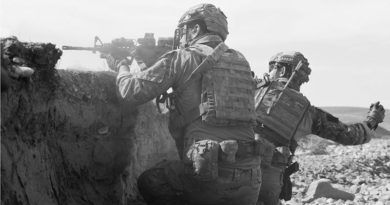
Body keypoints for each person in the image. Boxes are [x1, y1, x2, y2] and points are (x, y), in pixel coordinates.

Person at [106, 4, 262, 205]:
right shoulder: (241, 61)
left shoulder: (183, 57)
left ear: (196, 30)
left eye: (185, 31)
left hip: (209, 179)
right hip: (250, 185)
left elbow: (130, 91)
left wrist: (121, 65)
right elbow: (191, 91)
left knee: (150, 181)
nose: (182, 38)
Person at [254, 51, 385, 205]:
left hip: (223, 169)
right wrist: (371, 121)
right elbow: (349, 135)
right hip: (267, 184)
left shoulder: (250, 88)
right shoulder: (308, 113)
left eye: (272, 68)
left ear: (281, 70)